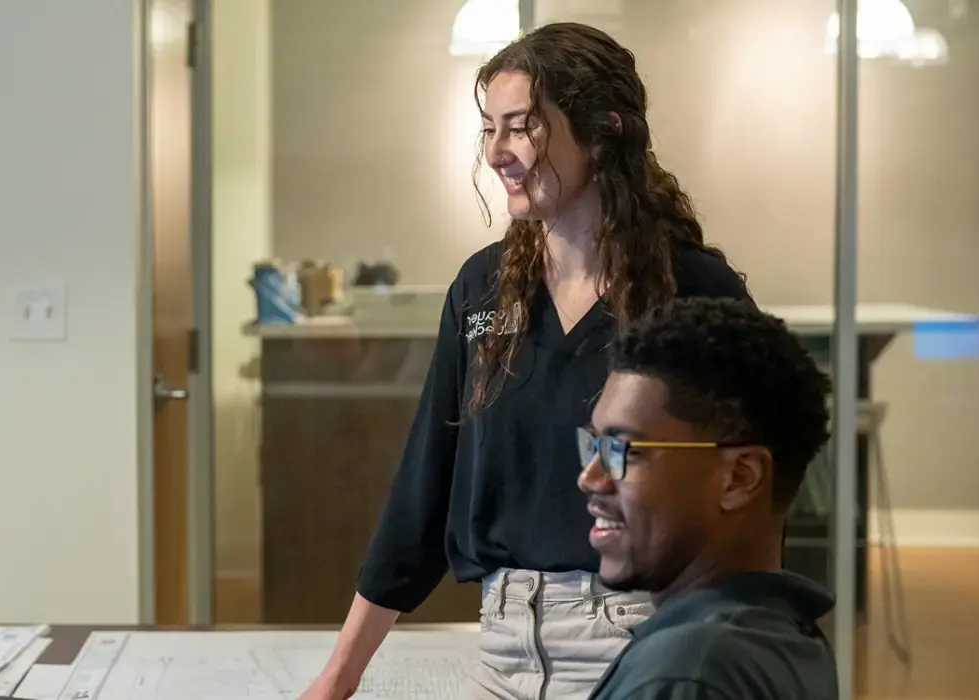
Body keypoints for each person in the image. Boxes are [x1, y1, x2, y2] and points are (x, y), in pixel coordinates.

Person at [301, 23, 752, 700]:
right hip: (504, 647)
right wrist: (339, 677)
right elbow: (424, 491)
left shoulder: (695, 293)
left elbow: (748, 496)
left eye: (521, 127)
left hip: (644, 640)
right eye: (489, 129)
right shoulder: (482, 290)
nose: (497, 153)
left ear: (602, 132)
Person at [580, 297, 837, 699]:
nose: (590, 477)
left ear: (739, 478)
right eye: (595, 445)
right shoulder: (784, 636)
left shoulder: (688, 672)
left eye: (624, 449)